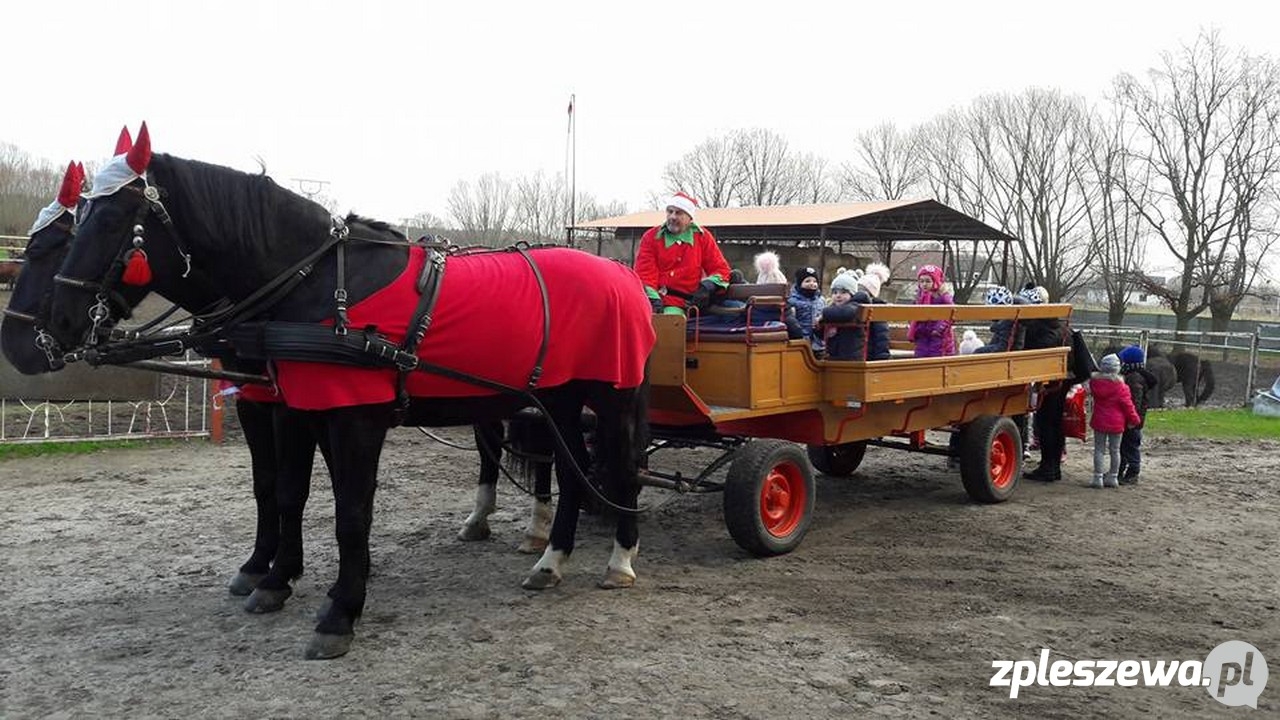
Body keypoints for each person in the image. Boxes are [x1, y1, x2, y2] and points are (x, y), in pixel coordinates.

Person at [633, 191, 731, 316]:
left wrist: (707, 286)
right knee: (667, 320)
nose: (672, 216)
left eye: (678, 213)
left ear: (690, 218)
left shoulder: (703, 237)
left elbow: (721, 269)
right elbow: (644, 274)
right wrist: (653, 300)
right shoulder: (651, 237)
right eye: (670, 211)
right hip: (661, 301)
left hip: (692, 303)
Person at [1022, 284, 1069, 482]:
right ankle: (1052, 466)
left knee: (1048, 423)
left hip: (1053, 382)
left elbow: (1039, 348)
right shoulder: (1057, 325)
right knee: (1053, 423)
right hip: (1058, 379)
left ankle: (1049, 467)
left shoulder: (1045, 329)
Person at [1087, 354, 1142, 489]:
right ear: (1117, 369)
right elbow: (1128, 406)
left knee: (1099, 450)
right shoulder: (1122, 387)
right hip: (1117, 423)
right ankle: (1113, 477)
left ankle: (1097, 477)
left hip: (1099, 420)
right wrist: (1135, 420)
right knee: (1115, 450)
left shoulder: (1094, 383)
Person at [1117, 345, 1158, 485]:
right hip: (1134, 419)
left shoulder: (1134, 379)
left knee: (1130, 446)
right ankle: (1120, 471)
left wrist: (1132, 419)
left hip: (1132, 421)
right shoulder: (1135, 376)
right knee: (1125, 446)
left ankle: (1132, 472)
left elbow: (1135, 401)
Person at [907, 264, 955, 357]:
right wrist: (915, 327)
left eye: (928, 281)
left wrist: (938, 329)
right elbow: (914, 313)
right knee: (920, 358)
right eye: (921, 281)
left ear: (936, 281)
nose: (924, 284)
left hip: (939, 338)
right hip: (922, 334)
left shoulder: (943, 297)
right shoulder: (920, 297)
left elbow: (950, 314)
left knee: (936, 358)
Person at [972, 285, 1027, 354]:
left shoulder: (1008, 321)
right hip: (1009, 353)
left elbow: (1003, 347)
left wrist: (979, 351)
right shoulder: (1009, 318)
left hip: (1008, 356)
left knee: (977, 352)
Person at [788, 266, 826, 354]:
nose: (812, 284)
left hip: (818, 343)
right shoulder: (793, 301)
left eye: (815, 281)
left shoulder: (821, 300)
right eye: (807, 281)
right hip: (801, 342)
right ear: (799, 283)